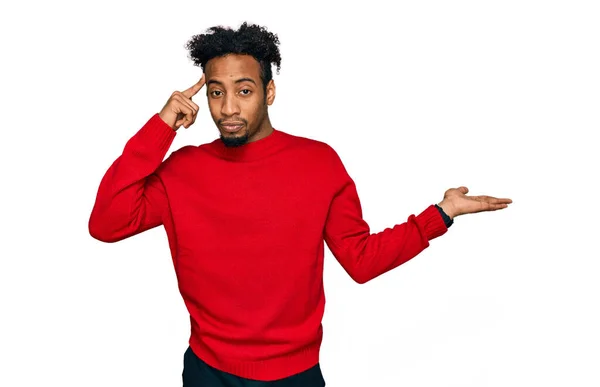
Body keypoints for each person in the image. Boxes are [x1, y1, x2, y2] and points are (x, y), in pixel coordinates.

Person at [88, 22, 512, 387]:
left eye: (245, 90)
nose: (228, 108)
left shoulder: (318, 163)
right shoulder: (182, 170)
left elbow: (360, 260)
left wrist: (440, 215)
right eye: (216, 92)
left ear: (269, 92)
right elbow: (106, 223)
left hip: (295, 376)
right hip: (207, 372)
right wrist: (160, 127)